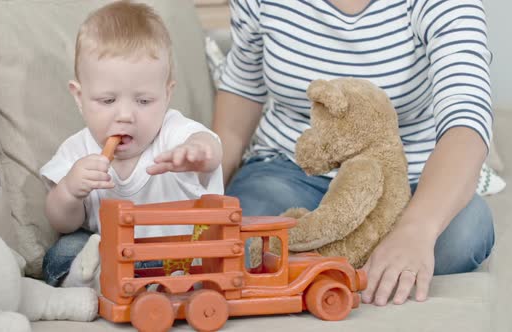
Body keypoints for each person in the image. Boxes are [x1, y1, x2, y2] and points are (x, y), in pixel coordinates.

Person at [213, 0, 494, 306]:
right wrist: (205, 198)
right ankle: (363, 265)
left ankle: (326, 266)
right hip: (289, 171)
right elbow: (241, 92)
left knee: (465, 233)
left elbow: (466, 121)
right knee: (247, 231)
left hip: (406, 185)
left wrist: (416, 230)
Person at [40, 1, 223, 290]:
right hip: (109, 252)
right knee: (62, 251)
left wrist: (198, 153)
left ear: (166, 94)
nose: (125, 115)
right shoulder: (77, 150)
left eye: (143, 101)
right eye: (108, 101)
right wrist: (70, 191)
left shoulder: (171, 133)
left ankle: (142, 284)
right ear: (79, 97)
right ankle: (96, 278)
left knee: (205, 250)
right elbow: (61, 222)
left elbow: (210, 146)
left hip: (172, 253)